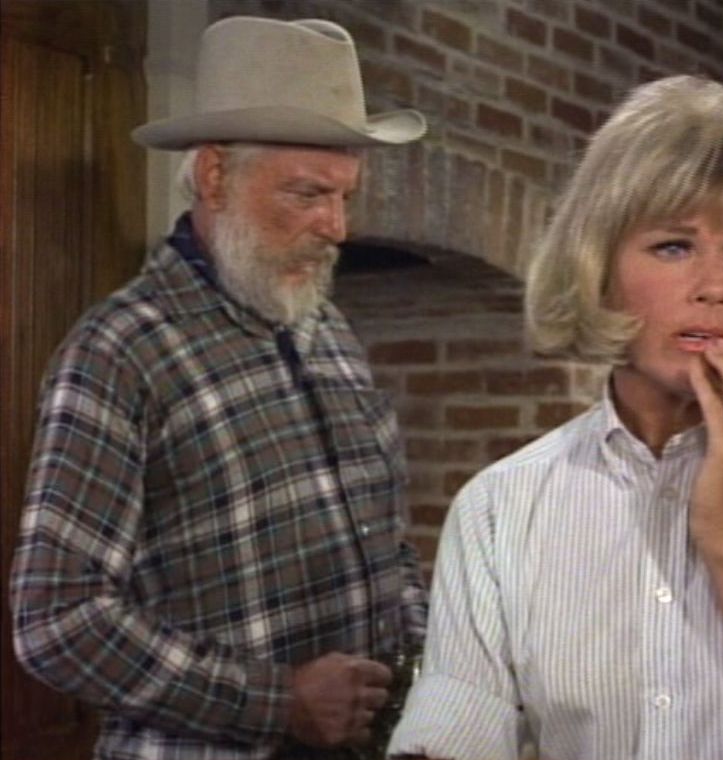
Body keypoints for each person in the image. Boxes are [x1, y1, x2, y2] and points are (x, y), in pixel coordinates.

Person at [388, 75, 723, 760]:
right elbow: (452, 734)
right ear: (598, 267)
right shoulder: (501, 505)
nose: (714, 287)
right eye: (674, 246)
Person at [10, 16, 428, 760]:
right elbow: (57, 621)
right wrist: (277, 701)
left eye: (345, 196)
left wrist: (431, 679)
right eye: (307, 194)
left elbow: (386, 544)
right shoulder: (121, 351)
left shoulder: (327, 329)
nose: (336, 226)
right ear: (213, 176)